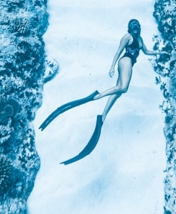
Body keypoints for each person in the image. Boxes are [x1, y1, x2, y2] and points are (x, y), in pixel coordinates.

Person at [39, 19, 157, 164]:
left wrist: (159, 53)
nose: (136, 29)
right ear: (129, 28)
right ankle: (97, 95)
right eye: (133, 27)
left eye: (137, 27)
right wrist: (112, 67)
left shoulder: (139, 38)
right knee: (123, 88)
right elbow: (118, 51)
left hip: (130, 63)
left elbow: (146, 51)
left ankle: (103, 115)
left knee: (118, 92)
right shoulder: (127, 37)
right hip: (125, 61)